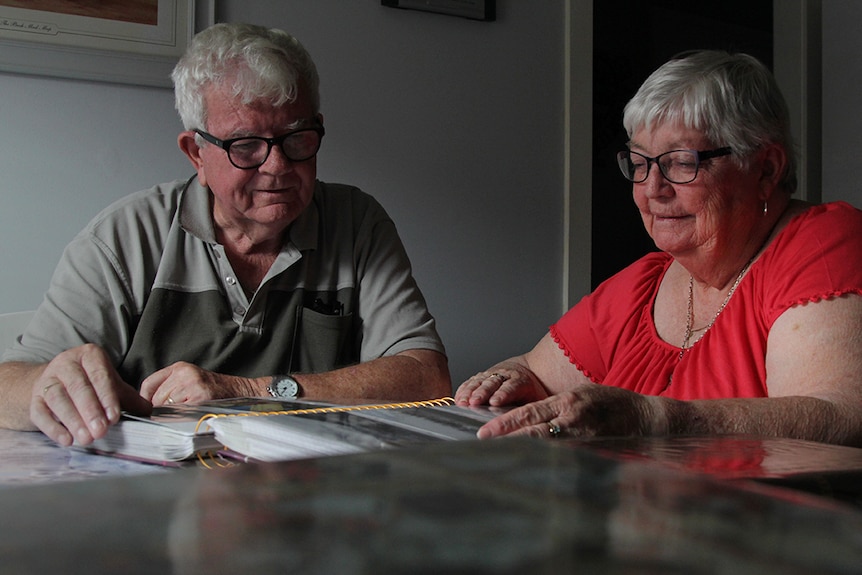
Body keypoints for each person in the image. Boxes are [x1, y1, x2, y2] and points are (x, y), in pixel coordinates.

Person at [0, 23, 450, 447]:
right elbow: (9, 384)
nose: (278, 167)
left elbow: (425, 375)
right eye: (246, 145)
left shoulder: (356, 222)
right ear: (196, 153)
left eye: (297, 138)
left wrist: (247, 391)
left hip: (309, 496)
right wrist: (47, 385)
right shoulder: (124, 238)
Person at [456, 50, 862, 446]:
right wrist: (504, 382)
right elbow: (534, 372)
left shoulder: (822, 243)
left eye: (682, 162)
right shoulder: (643, 284)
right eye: (639, 162)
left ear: (766, 168)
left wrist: (653, 416)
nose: (652, 190)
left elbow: (840, 416)